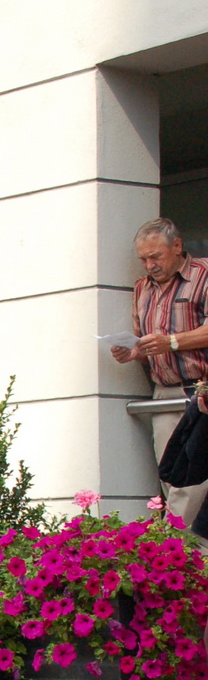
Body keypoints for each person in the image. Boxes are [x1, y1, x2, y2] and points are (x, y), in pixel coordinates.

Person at [112, 217, 208, 527]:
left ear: (177, 246)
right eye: (143, 259)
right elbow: (145, 342)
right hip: (164, 393)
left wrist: (172, 342)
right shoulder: (142, 288)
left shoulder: (203, 275)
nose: (149, 265)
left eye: (156, 256)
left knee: (192, 481)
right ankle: (191, 556)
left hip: (201, 390)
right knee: (172, 475)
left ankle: (172, 547)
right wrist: (132, 352)